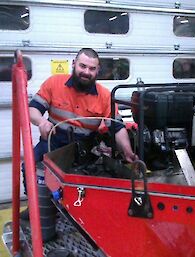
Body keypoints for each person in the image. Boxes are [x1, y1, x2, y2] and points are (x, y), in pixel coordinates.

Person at [21, 48, 137, 223]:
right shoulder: (54, 83)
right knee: (30, 167)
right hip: (53, 141)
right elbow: (33, 109)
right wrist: (41, 122)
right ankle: (36, 206)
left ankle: (76, 213)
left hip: (84, 147)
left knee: (85, 182)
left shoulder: (105, 96)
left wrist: (127, 150)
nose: (86, 72)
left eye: (92, 69)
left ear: (97, 71)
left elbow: (117, 127)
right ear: (74, 64)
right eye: (83, 66)